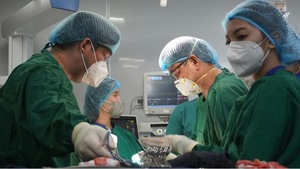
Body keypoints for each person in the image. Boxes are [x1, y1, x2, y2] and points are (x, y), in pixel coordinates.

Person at [144, 1, 300, 168]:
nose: (234, 47)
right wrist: (189, 147)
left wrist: (193, 153)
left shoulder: (275, 88)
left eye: (241, 37)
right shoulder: (261, 88)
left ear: (273, 39)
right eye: (229, 42)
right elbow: (231, 152)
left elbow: (247, 161)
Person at [0, 11, 121, 167]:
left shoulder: (47, 70)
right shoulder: (44, 72)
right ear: (84, 45)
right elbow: (48, 109)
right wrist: (78, 130)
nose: (103, 66)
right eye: (104, 57)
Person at [155, 36, 248, 153]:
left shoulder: (224, 91)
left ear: (194, 61)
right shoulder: (203, 99)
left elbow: (232, 154)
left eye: (177, 73)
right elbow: (201, 144)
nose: (177, 80)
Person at [84, 76, 143, 162]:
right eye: (115, 94)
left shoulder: (126, 136)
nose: (119, 99)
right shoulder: (88, 137)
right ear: (100, 100)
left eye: (119, 94)